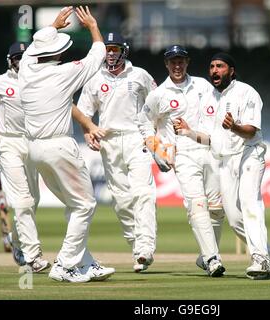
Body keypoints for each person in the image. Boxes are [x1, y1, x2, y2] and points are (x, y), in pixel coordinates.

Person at [18, 6, 115, 282]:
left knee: (75, 206)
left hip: (34, 150)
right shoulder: (64, 74)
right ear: (57, 53)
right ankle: (65, 265)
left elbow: (29, 52)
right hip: (59, 147)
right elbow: (97, 55)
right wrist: (93, 26)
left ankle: (86, 263)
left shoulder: (26, 70)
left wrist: (53, 27)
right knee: (84, 205)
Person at [174, 52, 270, 279]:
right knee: (234, 219)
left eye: (220, 66)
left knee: (250, 204)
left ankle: (260, 260)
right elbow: (209, 138)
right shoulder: (208, 99)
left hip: (249, 154)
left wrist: (234, 126)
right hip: (224, 161)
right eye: (212, 66)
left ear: (231, 71)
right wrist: (189, 132)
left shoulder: (247, 92)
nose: (214, 70)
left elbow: (251, 130)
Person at [138, 45, 226, 277]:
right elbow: (144, 122)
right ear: (166, 65)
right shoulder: (159, 94)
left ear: (187, 62)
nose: (177, 66)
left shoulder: (203, 85)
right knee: (197, 204)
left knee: (217, 209)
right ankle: (212, 258)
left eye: (181, 61)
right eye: (172, 62)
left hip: (208, 148)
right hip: (183, 154)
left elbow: (216, 111)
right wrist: (156, 148)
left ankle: (206, 254)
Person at [76, 32, 158, 273]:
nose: (111, 53)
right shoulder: (94, 78)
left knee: (143, 193)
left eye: (115, 49)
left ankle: (146, 247)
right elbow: (84, 112)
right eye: (108, 49)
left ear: (124, 50)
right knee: (122, 201)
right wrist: (87, 131)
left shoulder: (140, 75)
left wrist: (155, 136)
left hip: (136, 139)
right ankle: (137, 247)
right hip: (109, 142)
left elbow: (157, 103)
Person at [0, 42, 48, 271]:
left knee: (33, 200)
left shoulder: (40, 81)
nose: (21, 61)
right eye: (17, 58)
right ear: (10, 60)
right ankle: (33, 255)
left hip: (32, 142)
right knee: (23, 200)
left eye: (24, 57)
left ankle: (17, 242)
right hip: (7, 142)